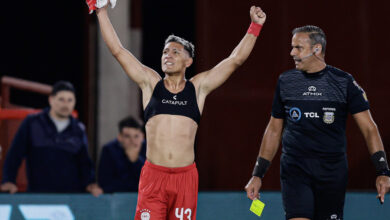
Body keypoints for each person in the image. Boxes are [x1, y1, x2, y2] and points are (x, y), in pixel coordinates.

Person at [94, 2, 266, 219]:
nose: (168, 55)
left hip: (184, 179)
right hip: (153, 178)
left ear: (188, 61)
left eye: (175, 52)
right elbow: (118, 51)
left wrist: (255, 27)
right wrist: (101, 13)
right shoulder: (150, 83)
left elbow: (235, 60)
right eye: (165, 51)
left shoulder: (198, 88)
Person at [245, 25, 390, 220]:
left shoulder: (343, 82)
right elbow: (273, 130)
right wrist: (258, 174)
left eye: (298, 48)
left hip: (332, 172)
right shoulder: (286, 82)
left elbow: (369, 129)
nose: (292, 52)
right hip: (295, 169)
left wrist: (382, 170)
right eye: (292, 47)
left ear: (317, 49)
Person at [1, 81, 102, 196]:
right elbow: (15, 154)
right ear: (51, 100)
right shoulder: (32, 123)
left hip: (70, 196)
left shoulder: (78, 129)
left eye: (70, 100)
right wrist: (8, 180)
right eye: (61, 99)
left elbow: (84, 162)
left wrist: (90, 183)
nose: (66, 104)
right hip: (39, 194)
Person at [98, 116, 145, 193]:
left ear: (142, 137)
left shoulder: (149, 150)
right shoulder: (108, 150)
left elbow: (151, 181)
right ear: (120, 137)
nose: (132, 141)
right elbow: (105, 184)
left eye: (136, 136)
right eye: (127, 136)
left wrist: (136, 160)